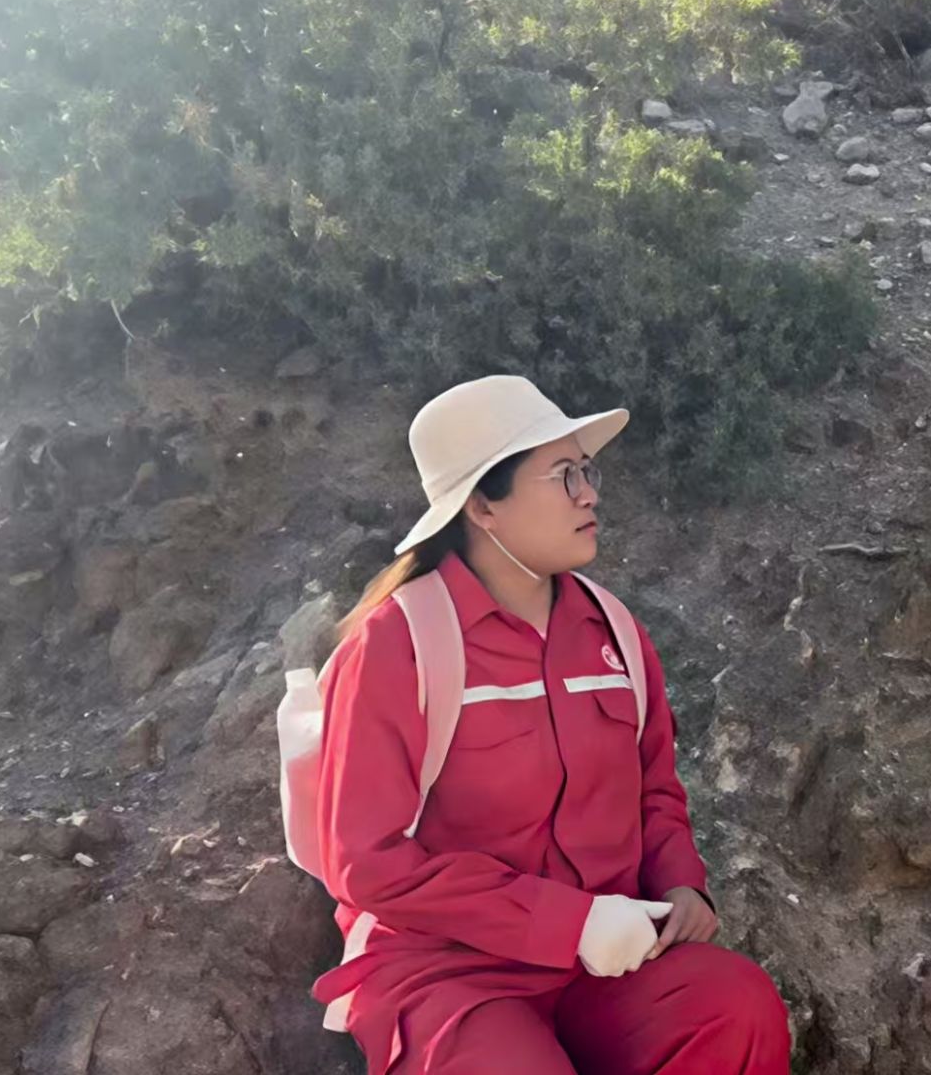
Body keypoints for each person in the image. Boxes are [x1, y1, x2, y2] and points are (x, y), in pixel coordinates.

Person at [310, 375, 791, 1074]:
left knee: (737, 1009)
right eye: (564, 475)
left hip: (614, 957)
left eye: (588, 472)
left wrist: (681, 883)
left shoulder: (613, 631)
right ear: (483, 505)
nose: (589, 494)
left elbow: (654, 787)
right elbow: (367, 863)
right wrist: (569, 923)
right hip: (448, 973)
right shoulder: (397, 644)